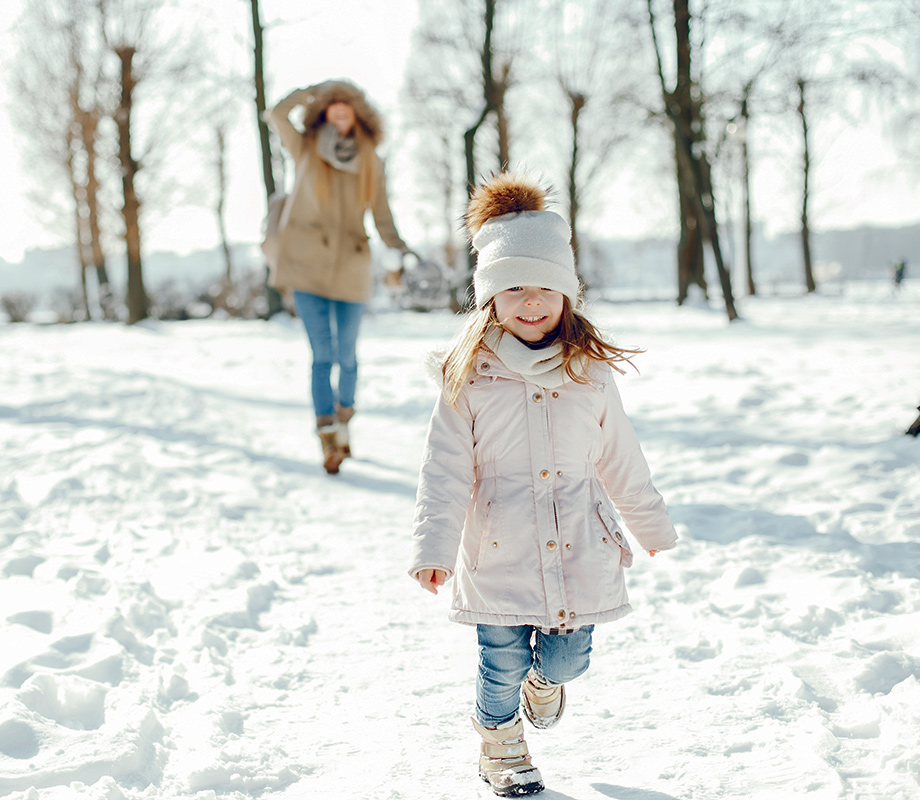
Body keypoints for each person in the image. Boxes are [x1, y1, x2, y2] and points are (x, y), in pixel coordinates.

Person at [408, 173, 678, 797]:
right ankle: (500, 743)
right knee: (499, 662)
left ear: (567, 296)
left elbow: (621, 457)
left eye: (546, 289)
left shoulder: (590, 374)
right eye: (514, 289)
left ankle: (546, 683)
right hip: (498, 549)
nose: (532, 303)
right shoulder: (467, 379)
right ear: (490, 300)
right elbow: (444, 470)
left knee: (567, 660)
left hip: (578, 547)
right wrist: (433, 549)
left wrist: (650, 525)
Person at [265, 80, 412, 474]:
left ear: (359, 113)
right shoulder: (306, 148)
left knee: (347, 356)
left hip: (351, 264)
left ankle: (343, 420)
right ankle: (329, 438)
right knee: (322, 355)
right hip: (307, 263)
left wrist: (398, 247)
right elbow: (276, 115)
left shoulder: (370, 159)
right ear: (324, 111)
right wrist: (309, 92)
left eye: (347, 104)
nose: (340, 109)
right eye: (333, 104)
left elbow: (381, 213)